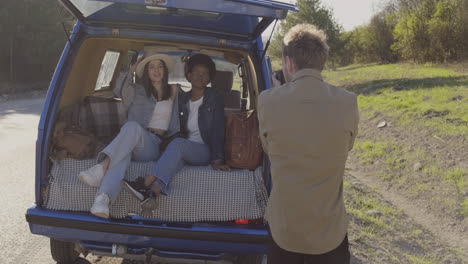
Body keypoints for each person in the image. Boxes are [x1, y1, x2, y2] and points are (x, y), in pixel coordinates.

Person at [257, 24, 359, 264]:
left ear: (288, 62)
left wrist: (278, 95)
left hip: (285, 230)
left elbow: (267, 148)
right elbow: (349, 145)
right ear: (322, 61)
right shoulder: (348, 101)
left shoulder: (268, 101)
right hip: (329, 232)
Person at [78, 51, 179, 218]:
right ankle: (102, 200)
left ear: (165, 71)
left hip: (153, 145)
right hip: (131, 142)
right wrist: (130, 71)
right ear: (146, 72)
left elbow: (178, 123)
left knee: (131, 127)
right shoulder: (136, 91)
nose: (156, 70)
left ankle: (101, 168)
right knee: (122, 156)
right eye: (151, 67)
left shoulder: (174, 91)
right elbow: (118, 89)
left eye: (160, 66)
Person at [122, 53, 230, 209]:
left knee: (179, 144)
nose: (200, 77)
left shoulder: (215, 97)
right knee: (175, 156)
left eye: (205, 73)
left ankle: (144, 182)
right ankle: (152, 193)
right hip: (184, 149)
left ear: (210, 77)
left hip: (204, 150)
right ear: (189, 75)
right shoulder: (181, 98)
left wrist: (218, 159)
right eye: (196, 73)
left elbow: (218, 129)